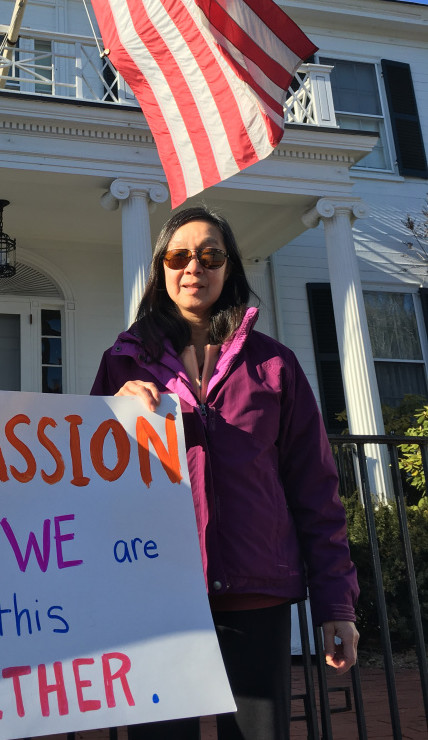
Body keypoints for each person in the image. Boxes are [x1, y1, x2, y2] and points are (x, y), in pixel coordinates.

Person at [91, 206, 358, 740]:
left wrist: (337, 603)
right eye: (179, 255)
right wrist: (109, 415)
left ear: (229, 268)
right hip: (157, 592)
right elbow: (89, 478)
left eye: (211, 255)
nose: (195, 266)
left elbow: (316, 490)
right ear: (161, 268)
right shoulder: (122, 363)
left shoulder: (275, 365)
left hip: (255, 589)